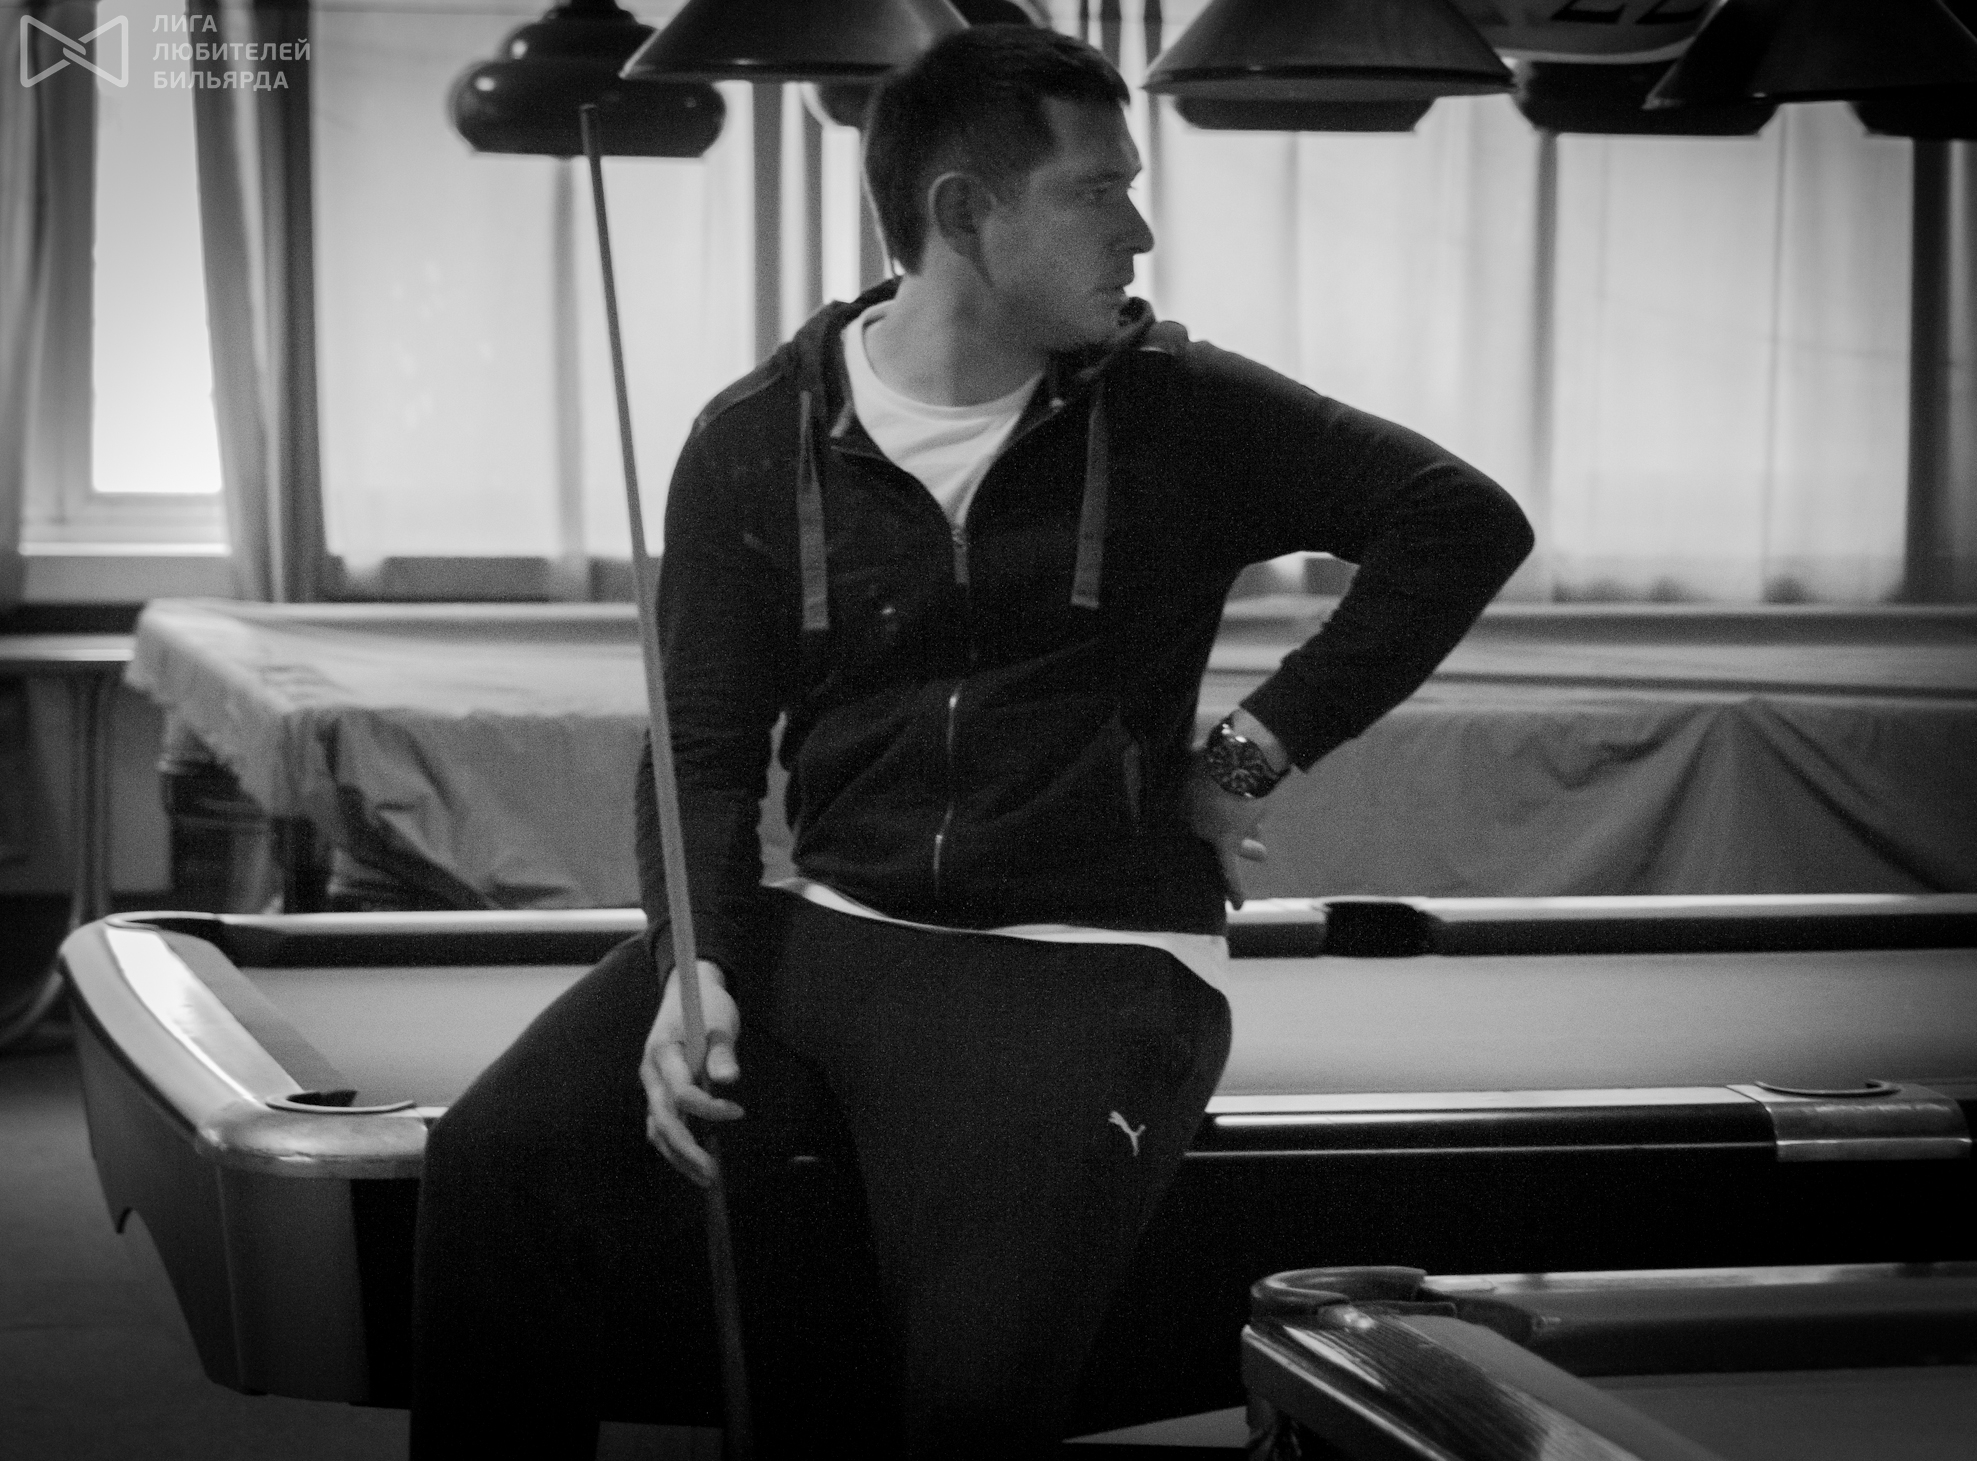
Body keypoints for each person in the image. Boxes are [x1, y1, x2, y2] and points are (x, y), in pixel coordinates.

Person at [410, 24, 1533, 1461]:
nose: (1137, 232)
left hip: (1091, 954)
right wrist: (696, 964)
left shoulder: (1183, 410)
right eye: (1096, 192)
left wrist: (1248, 753)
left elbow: (1461, 522)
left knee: (965, 1405)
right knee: (492, 1163)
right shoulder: (757, 436)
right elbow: (701, 743)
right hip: (834, 929)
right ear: (961, 214)